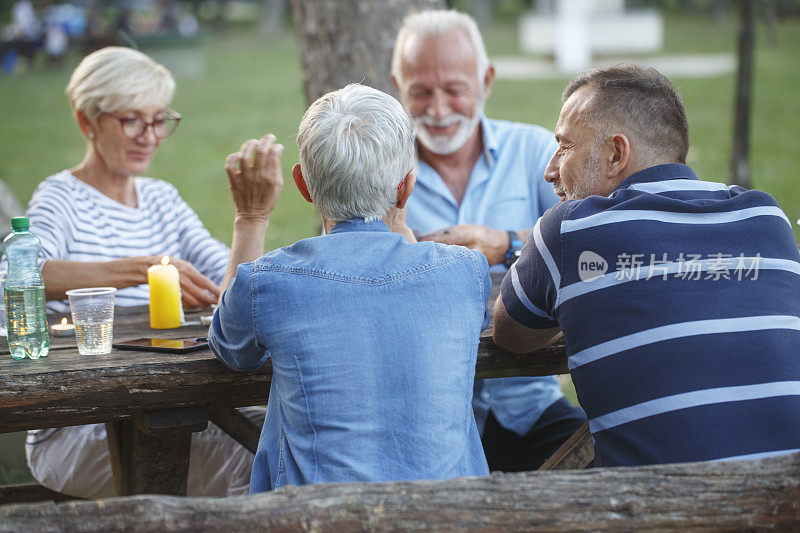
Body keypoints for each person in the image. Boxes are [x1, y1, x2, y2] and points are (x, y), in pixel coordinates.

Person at [493, 64, 800, 466]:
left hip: (661, 510)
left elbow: (510, 335)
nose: (551, 169)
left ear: (615, 154)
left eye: (564, 146)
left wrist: (582, 311)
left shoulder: (570, 229)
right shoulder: (766, 217)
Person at [0, 46, 262, 498]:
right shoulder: (62, 198)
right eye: (131, 120)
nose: (149, 135)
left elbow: (233, 274)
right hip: (78, 425)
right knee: (254, 462)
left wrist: (250, 217)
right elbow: (19, 274)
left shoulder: (162, 198)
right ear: (87, 121)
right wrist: (143, 270)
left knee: (285, 436)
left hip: (175, 401)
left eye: (160, 119)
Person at [209, 83, 490, 492]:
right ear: (406, 187)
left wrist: (250, 218)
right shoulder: (464, 271)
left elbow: (230, 350)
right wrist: (396, 215)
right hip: (451, 515)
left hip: (319, 518)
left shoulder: (266, 283)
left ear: (303, 185)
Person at [391, 9, 586, 472]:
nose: (438, 110)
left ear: (487, 80)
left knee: (597, 475)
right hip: (420, 418)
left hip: (529, 405)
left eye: (455, 90)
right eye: (420, 92)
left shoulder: (537, 151)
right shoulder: (378, 168)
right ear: (398, 84)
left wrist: (509, 244)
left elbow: (596, 233)